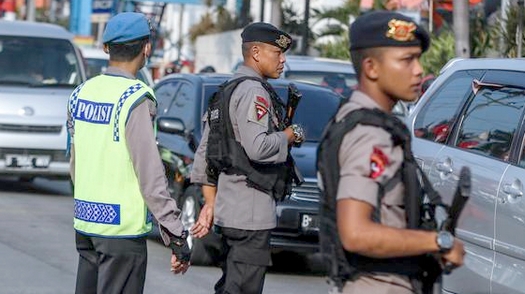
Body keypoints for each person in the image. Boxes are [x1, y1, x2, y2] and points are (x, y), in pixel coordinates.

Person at [317, 11, 466, 294]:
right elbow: (355, 233)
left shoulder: (353, 118)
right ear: (371, 68)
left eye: (418, 59)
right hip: (378, 284)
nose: (419, 70)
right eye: (407, 60)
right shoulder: (371, 135)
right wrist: (438, 242)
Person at [66, 12, 190, 294]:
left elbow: (75, 162)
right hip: (122, 232)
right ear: (146, 48)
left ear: (106, 47)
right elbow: (150, 173)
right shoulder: (135, 98)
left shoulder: (81, 93)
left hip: (86, 224)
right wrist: (175, 233)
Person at [189, 22, 305, 294]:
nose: (283, 60)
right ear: (256, 52)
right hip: (251, 214)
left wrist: (210, 203)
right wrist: (290, 134)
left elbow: (205, 154)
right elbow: (258, 147)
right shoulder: (254, 92)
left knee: (231, 285)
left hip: (230, 212)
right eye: (277, 53)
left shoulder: (227, 89)